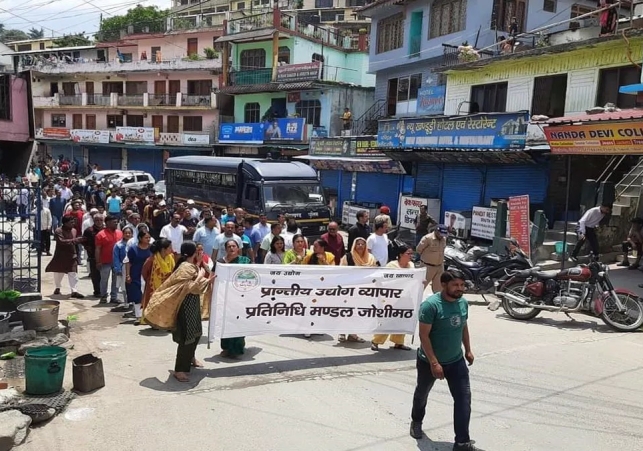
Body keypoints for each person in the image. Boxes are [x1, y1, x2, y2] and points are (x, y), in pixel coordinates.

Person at [410, 270, 480, 451]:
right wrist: (434, 363)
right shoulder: (431, 306)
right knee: (422, 393)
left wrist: (468, 350)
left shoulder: (463, 303)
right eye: (455, 285)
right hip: (429, 362)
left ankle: (462, 443)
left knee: (464, 399)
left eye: (462, 285)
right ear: (444, 285)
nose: (460, 289)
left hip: (456, 361)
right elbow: (423, 336)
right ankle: (416, 421)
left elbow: (463, 326)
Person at [145, 241, 215, 382]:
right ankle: (180, 370)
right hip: (185, 305)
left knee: (196, 333)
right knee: (187, 337)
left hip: (193, 304)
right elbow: (192, 287)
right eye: (198, 250)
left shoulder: (190, 266)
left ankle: (190, 358)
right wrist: (205, 279)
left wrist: (201, 268)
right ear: (193, 252)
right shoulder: (186, 267)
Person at [370, 244, 414, 352]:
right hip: (392, 297)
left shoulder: (411, 265)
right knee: (387, 320)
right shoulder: (391, 265)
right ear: (401, 254)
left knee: (402, 319)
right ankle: (376, 341)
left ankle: (398, 342)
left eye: (411, 254)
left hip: (405, 297)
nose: (410, 256)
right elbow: (383, 280)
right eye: (408, 253)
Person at [338, 237, 376, 343]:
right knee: (346, 312)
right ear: (354, 245)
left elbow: (375, 273)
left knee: (357, 313)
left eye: (362, 244)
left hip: (363, 291)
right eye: (358, 244)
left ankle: (353, 334)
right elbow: (341, 272)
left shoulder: (371, 258)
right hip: (349, 290)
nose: (360, 246)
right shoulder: (348, 257)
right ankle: (342, 333)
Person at [217, 240, 250, 357]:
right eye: (229, 246)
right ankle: (226, 347)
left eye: (233, 246)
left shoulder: (245, 261)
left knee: (239, 322)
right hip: (225, 297)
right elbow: (215, 278)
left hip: (241, 297)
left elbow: (251, 277)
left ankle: (236, 349)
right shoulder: (221, 262)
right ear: (225, 249)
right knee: (226, 323)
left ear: (238, 248)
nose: (231, 248)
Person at [45, 216, 84, 298]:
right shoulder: (58, 231)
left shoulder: (74, 230)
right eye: (71, 222)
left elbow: (75, 244)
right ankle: (58, 287)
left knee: (73, 273)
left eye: (73, 222)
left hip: (72, 255)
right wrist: (75, 240)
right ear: (65, 223)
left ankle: (74, 291)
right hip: (61, 255)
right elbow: (61, 241)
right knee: (58, 273)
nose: (73, 224)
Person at [141, 238, 175, 325]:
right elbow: (145, 272)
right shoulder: (152, 260)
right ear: (163, 249)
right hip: (153, 286)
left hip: (167, 286)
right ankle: (153, 322)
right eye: (170, 248)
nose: (172, 250)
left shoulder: (171, 258)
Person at [125, 230, 153, 325]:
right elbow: (128, 262)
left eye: (149, 237)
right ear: (140, 238)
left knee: (147, 295)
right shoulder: (133, 249)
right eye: (146, 237)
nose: (148, 239)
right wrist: (128, 275)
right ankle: (138, 316)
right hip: (136, 274)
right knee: (137, 296)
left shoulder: (151, 249)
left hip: (148, 275)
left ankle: (147, 316)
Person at [95, 215, 123, 304]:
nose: (116, 223)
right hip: (104, 261)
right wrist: (98, 261)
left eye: (116, 222)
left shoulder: (120, 233)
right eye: (113, 222)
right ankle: (103, 296)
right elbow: (98, 249)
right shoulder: (100, 234)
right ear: (107, 223)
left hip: (117, 262)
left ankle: (114, 297)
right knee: (104, 280)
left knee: (116, 280)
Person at [417, 224, 448, 292]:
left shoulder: (444, 239)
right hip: (427, 266)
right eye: (440, 234)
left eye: (443, 234)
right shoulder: (428, 238)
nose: (442, 236)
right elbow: (419, 250)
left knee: (439, 289)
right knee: (420, 287)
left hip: (439, 267)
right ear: (436, 231)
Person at [83, 214, 105, 297]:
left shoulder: (106, 229)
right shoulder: (89, 230)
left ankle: (104, 291)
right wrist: (90, 250)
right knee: (95, 275)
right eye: (97, 220)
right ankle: (97, 291)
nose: (99, 222)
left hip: (105, 255)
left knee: (104, 275)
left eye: (101, 220)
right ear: (94, 221)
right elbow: (84, 241)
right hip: (93, 256)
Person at [112, 226, 133, 313]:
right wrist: (118, 269)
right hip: (123, 267)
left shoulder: (134, 244)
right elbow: (116, 257)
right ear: (123, 234)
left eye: (129, 233)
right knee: (124, 286)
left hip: (133, 268)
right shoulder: (118, 245)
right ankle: (126, 303)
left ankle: (132, 302)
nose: (127, 234)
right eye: (126, 233)